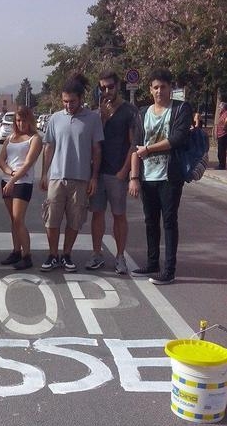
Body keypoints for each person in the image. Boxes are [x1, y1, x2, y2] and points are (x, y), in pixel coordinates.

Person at [131, 68, 192, 285]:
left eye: (163, 87)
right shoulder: (142, 113)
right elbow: (135, 146)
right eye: (155, 87)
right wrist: (134, 177)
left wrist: (149, 149)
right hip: (148, 177)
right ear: (150, 89)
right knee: (150, 222)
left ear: (170, 89)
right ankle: (152, 263)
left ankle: (169, 270)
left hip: (170, 175)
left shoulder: (180, 108)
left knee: (168, 221)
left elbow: (178, 138)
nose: (159, 91)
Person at [39, 75, 103, 272]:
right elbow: (48, 147)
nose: (68, 105)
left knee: (75, 220)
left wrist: (94, 177)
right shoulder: (55, 118)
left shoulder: (93, 119)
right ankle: (53, 255)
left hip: (81, 179)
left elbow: (97, 150)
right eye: (65, 101)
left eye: (72, 101)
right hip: (57, 178)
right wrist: (44, 173)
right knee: (52, 219)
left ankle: (66, 255)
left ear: (81, 98)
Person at [86, 71, 140, 275]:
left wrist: (125, 171)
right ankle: (97, 254)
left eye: (110, 87)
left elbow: (133, 143)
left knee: (119, 215)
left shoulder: (129, 111)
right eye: (102, 88)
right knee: (97, 214)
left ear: (118, 86)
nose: (107, 91)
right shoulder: (97, 112)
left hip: (117, 172)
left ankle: (120, 257)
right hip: (97, 173)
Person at [0, 106, 42, 270]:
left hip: (22, 183)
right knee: (13, 221)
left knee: (18, 220)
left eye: (24, 120)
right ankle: (16, 251)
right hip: (7, 180)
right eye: (18, 120)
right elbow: (1, 160)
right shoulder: (10, 137)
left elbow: (27, 164)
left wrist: (12, 180)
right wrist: (9, 173)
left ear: (30, 120)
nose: (21, 123)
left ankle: (26, 255)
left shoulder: (35, 139)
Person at [215, 97, 227, 170]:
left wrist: (224, 128)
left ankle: (222, 165)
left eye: (220, 107)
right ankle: (221, 164)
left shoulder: (225, 113)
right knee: (220, 151)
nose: (219, 108)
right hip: (220, 135)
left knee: (221, 151)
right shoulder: (221, 114)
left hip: (224, 135)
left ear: (223, 107)